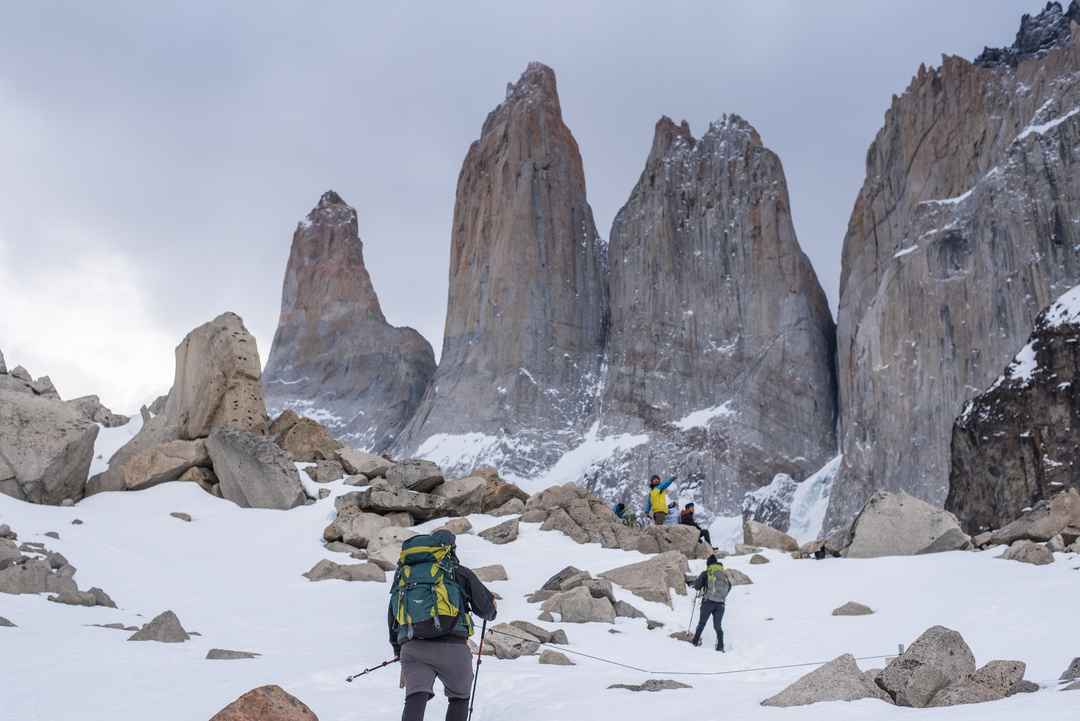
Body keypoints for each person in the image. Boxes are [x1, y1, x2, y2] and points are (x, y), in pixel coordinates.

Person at [388, 530, 497, 721]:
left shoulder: (404, 575)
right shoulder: (457, 571)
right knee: (459, 697)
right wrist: (491, 606)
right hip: (453, 648)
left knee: (415, 696)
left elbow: (393, 617)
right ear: (451, 549)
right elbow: (487, 611)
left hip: (412, 647)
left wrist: (399, 650)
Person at [691, 555, 731, 652]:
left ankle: (695, 642)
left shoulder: (707, 573)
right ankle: (720, 646)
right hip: (720, 604)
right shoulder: (723, 574)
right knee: (718, 626)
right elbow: (729, 586)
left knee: (702, 623)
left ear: (708, 564)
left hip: (708, 602)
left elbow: (697, 586)